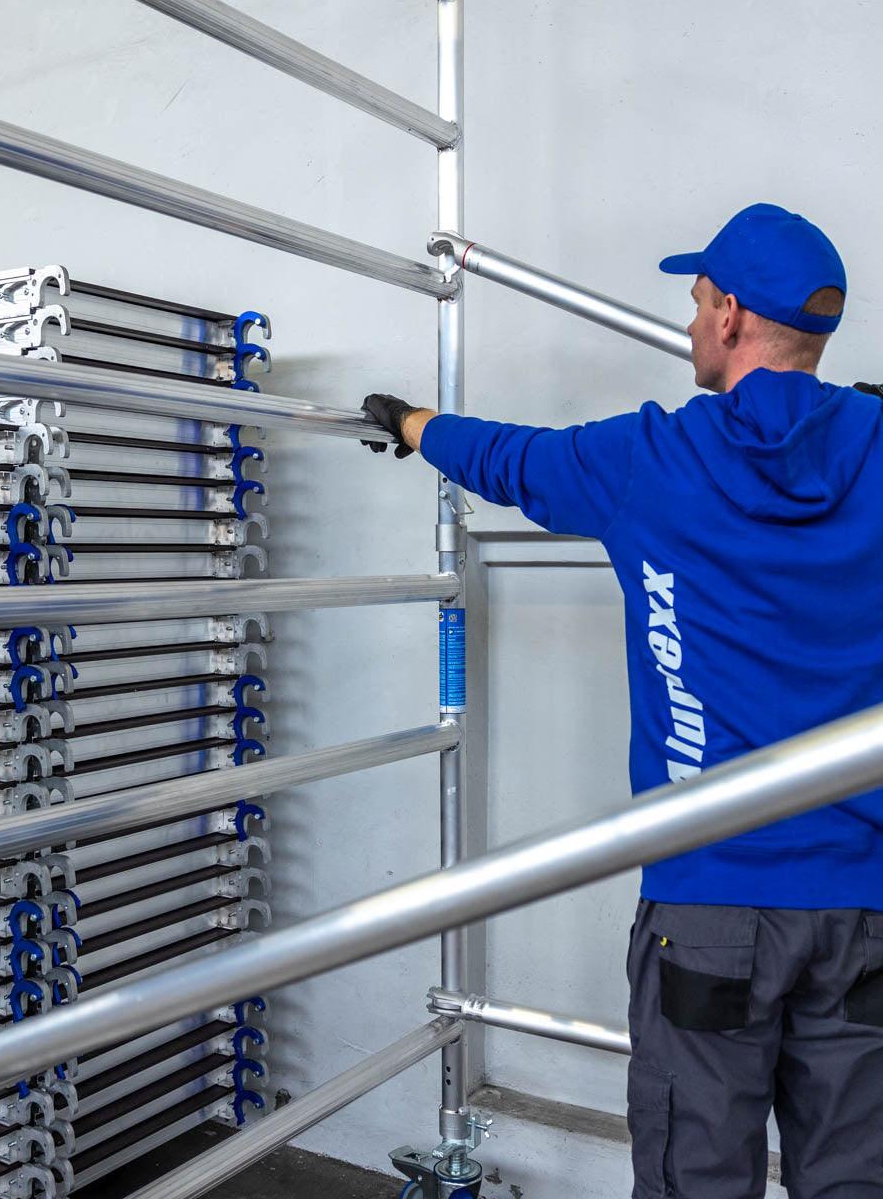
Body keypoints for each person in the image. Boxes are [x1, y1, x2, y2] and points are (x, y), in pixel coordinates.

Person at [361, 203, 883, 1199]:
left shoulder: (651, 459)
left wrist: (412, 423)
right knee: (858, 1178)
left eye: (697, 301)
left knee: (698, 1177)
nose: (690, 323)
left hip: (712, 896)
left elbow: (507, 457)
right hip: (867, 904)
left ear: (730, 316)